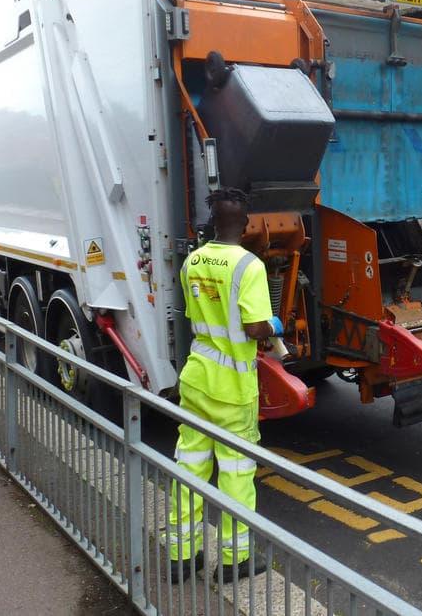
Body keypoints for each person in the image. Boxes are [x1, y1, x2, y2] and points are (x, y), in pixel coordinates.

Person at [167, 187, 284, 583]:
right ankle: (235, 562)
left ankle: (183, 556)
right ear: (247, 224)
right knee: (235, 473)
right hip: (233, 386)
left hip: (197, 378)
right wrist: (274, 326)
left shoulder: (192, 261)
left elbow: (195, 315)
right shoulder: (248, 266)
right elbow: (253, 328)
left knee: (190, 466)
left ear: (213, 221)